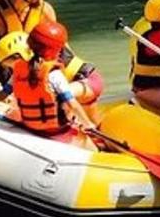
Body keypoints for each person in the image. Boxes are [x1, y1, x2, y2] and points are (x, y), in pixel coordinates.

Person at [0, 30, 105, 124]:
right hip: (79, 88)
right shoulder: (21, 71)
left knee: (58, 97)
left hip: (88, 81)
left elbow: (66, 98)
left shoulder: (48, 69)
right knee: (95, 125)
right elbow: (4, 94)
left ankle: (74, 123)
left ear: (19, 56)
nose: (10, 70)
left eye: (10, 65)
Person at [7, 20, 96, 149]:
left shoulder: (18, 69)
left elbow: (2, 94)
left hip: (30, 126)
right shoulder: (54, 74)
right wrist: (88, 124)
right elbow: (73, 104)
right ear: (55, 50)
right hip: (56, 130)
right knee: (93, 149)